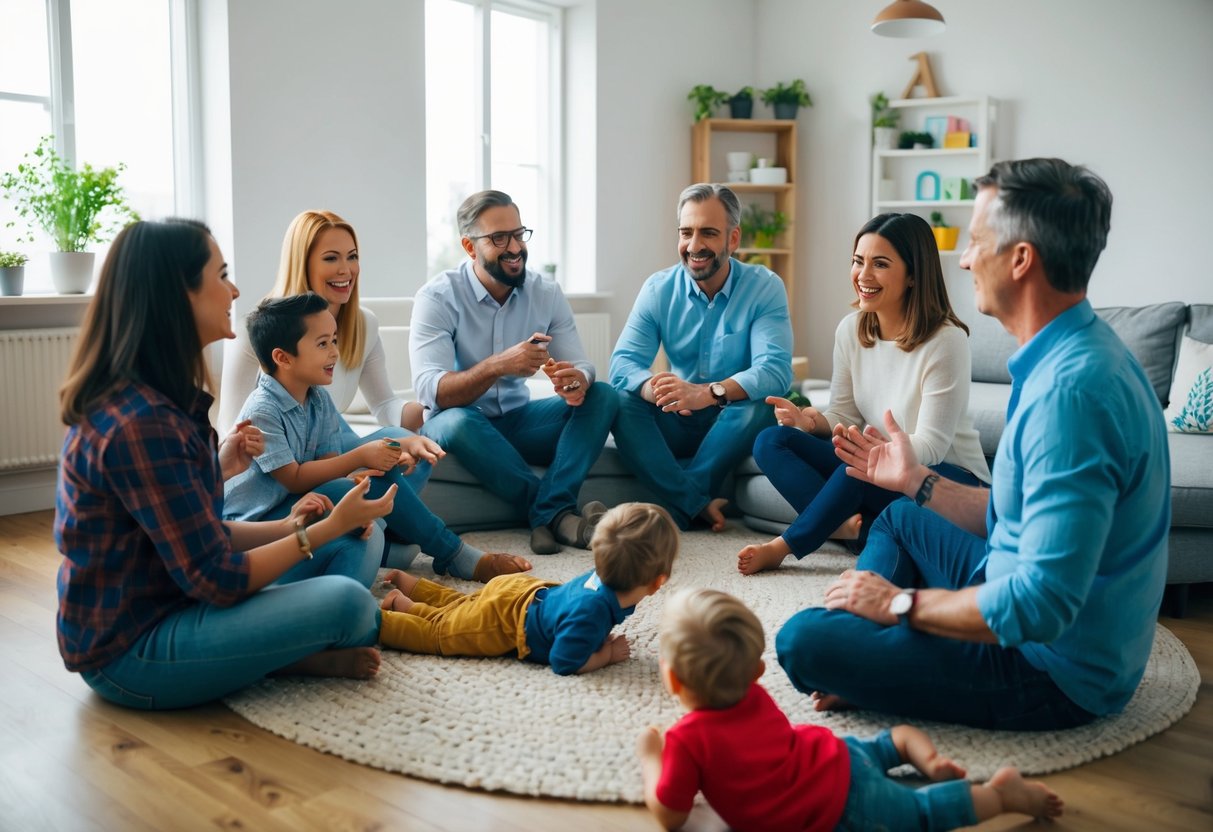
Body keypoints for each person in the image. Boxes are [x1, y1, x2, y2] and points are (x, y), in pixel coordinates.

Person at [776, 158, 1171, 730]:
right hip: (1007, 583)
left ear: (1020, 259)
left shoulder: (1072, 395)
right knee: (900, 516)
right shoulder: (1070, 353)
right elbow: (1012, 515)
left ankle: (867, 653)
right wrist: (915, 479)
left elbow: (1039, 607)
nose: (962, 259)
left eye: (976, 241)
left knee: (802, 640)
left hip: (1051, 670)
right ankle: (871, 655)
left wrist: (897, 605)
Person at [55, 219, 398, 710]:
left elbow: (198, 531)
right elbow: (215, 576)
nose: (234, 289)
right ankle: (283, 653)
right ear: (179, 296)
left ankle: (277, 650)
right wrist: (318, 531)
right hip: (131, 651)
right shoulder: (142, 422)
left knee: (349, 540)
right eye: (221, 276)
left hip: (179, 599)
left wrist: (286, 521)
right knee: (349, 605)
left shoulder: (169, 403)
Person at [636, 587, 1063, 832]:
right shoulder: (755, 696)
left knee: (923, 814)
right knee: (875, 747)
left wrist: (652, 757)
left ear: (673, 680)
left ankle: (1000, 796)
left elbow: (671, 815)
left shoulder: (686, 741)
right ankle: (913, 751)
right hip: (836, 755)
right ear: (758, 671)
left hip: (839, 806)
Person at [738, 213, 990, 575]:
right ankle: (847, 529)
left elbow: (933, 445)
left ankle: (786, 545)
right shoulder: (851, 330)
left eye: (880, 264)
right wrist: (808, 421)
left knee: (856, 469)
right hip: (882, 468)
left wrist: (876, 458)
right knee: (771, 440)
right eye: (858, 261)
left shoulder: (946, 340)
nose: (863, 275)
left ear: (914, 275)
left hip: (946, 475)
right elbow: (844, 413)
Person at [224, 293, 531, 584]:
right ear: (283, 358)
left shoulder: (317, 397)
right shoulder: (263, 408)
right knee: (359, 485)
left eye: (334, 340)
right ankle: (452, 553)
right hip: (262, 525)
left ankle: (396, 546)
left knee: (367, 483)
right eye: (322, 344)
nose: (335, 352)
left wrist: (357, 471)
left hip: (303, 504)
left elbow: (327, 461)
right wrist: (358, 458)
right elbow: (293, 478)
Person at [410, 190, 618, 555]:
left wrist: (576, 381)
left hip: (520, 420)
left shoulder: (545, 292)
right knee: (458, 421)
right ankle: (559, 515)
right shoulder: (437, 297)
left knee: (604, 395)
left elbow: (581, 364)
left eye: (519, 234)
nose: (515, 247)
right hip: (459, 423)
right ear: (469, 247)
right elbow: (432, 391)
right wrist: (499, 365)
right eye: (499, 238)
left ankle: (546, 512)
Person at [609, 183, 792, 531]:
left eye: (708, 233)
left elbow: (775, 370)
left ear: (733, 239)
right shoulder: (658, 289)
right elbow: (622, 364)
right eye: (686, 233)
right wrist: (653, 388)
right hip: (676, 416)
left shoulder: (765, 287)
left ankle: (677, 506)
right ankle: (692, 502)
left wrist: (708, 392)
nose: (694, 246)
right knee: (618, 400)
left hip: (733, 417)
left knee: (763, 403)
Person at [377, 502, 677, 675]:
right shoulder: (594, 611)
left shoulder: (600, 575)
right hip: (505, 621)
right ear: (657, 582)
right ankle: (380, 620)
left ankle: (409, 590)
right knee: (443, 634)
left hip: (520, 592)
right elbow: (564, 661)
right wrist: (607, 655)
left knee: (462, 604)